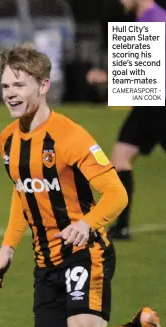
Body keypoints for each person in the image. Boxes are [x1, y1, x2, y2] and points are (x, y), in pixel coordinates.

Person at [0, 44, 166, 327]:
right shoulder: (7, 140)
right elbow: (24, 192)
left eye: (19, 85)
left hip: (86, 251)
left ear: (44, 85)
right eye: (5, 86)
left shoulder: (70, 137)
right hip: (45, 260)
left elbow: (115, 193)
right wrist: (7, 248)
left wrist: (87, 223)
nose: (11, 94)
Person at [87, 0, 166, 239]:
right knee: (120, 158)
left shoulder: (156, 18)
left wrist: (107, 76)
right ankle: (122, 227)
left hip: (161, 104)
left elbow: (150, 69)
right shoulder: (144, 18)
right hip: (147, 105)